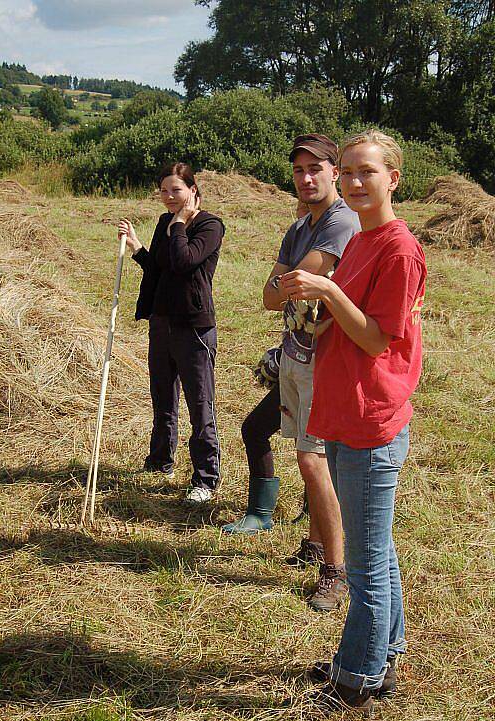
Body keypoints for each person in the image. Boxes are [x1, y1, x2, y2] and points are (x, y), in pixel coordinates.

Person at [281, 129, 427, 712]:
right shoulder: (363, 239)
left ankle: (358, 680)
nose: (354, 181)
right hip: (343, 409)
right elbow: (344, 322)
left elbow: (375, 336)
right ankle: (381, 650)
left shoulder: (398, 248)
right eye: (347, 171)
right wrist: (317, 315)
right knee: (379, 550)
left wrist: (325, 290)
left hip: (371, 418)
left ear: (394, 178)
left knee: (365, 566)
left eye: (367, 171)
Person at [223, 134, 360, 613]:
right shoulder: (300, 226)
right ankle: (315, 546)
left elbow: (295, 281)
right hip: (296, 357)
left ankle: (336, 572)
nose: (305, 178)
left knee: (313, 462)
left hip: (328, 364)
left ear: (334, 171)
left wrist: (286, 283)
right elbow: (270, 294)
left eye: (314, 168)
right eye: (298, 170)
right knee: (309, 457)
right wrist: (286, 284)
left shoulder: (342, 223)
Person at [118, 162, 225, 503]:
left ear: (193, 190)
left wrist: (179, 223)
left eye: (176, 190)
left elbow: (184, 261)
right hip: (162, 322)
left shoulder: (209, 225)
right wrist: (137, 247)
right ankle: (160, 460)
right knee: (163, 397)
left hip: (193, 326)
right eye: (163, 191)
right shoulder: (165, 222)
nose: (168, 197)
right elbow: (160, 270)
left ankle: (205, 478)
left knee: (199, 403)